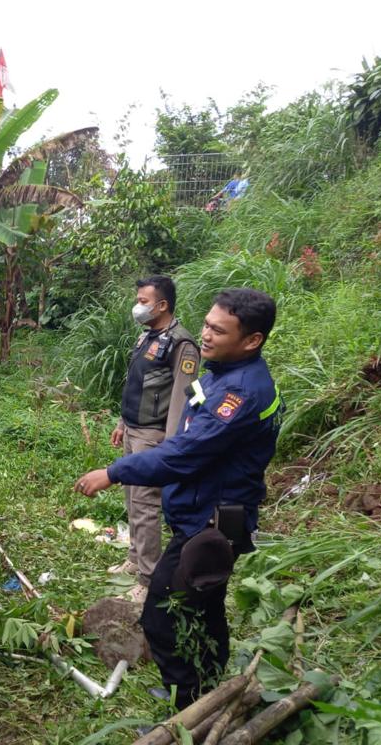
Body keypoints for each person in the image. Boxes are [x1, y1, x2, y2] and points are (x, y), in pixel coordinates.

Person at [73, 288, 282, 709]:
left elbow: (183, 454)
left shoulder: (240, 394)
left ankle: (187, 705)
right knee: (206, 606)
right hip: (207, 513)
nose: (206, 334)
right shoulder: (222, 371)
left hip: (211, 524)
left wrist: (113, 473)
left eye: (218, 330)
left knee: (162, 615)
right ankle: (210, 685)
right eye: (206, 324)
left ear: (252, 340)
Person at [109, 276, 199, 603]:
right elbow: (137, 383)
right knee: (132, 498)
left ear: (162, 305)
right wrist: (123, 422)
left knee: (146, 505)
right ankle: (135, 557)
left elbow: (181, 398)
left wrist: (172, 445)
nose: (138, 306)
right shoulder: (147, 336)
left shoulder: (182, 344)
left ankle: (148, 579)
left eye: (143, 301)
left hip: (154, 435)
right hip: (134, 428)